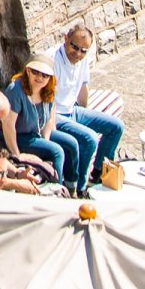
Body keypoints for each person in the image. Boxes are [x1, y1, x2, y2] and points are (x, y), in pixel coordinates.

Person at [51, 24, 124, 192]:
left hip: (73, 110)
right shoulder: (54, 59)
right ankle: (79, 188)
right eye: (74, 47)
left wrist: (86, 116)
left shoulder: (82, 59)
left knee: (116, 127)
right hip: (56, 113)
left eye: (83, 50)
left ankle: (98, 172)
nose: (77, 53)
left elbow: (83, 87)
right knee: (89, 138)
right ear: (66, 39)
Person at [3, 54, 80, 193]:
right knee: (57, 152)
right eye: (35, 72)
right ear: (27, 71)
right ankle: (57, 190)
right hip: (21, 136)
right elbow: (8, 126)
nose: (40, 78)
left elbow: (49, 119)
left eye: (45, 75)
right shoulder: (15, 90)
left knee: (72, 144)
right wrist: (17, 155)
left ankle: (72, 187)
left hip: (37, 133)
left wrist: (46, 142)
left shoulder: (48, 90)